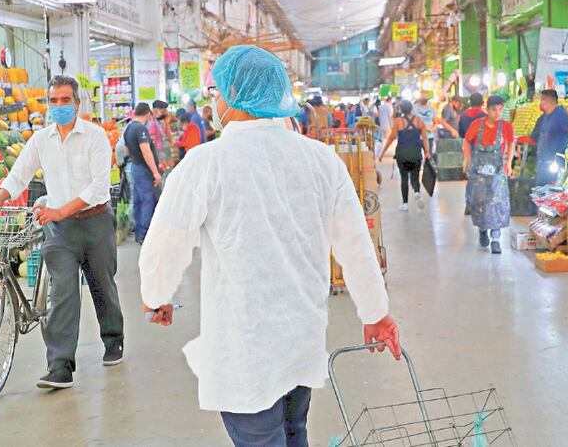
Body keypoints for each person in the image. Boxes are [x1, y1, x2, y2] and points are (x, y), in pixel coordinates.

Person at [139, 45, 399, 447]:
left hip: (248, 345)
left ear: (234, 96)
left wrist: (157, 296)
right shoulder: (322, 161)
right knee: (295, 432)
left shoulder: (205, 164)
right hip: (301, 334)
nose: (214, 103)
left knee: (261, 439)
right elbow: (355, 244)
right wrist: (376, 312)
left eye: (216, 93)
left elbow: (165, 243)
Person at [0, 75, 124, 388]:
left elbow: (100, 185)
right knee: (62, 292)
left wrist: (61, 209)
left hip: (95, 222)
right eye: (54, 101)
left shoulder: (95, 136)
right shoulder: (40, 139)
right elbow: (19, 174)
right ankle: (60, 365)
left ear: (77, 103)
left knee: (102, 283)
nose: (59, 106)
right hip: (60, 231)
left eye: (65, 100)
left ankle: (113, 338)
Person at [463, 95, 515, 254]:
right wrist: (469, 160)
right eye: (494, 110)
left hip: (497, 170)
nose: (497, 113)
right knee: (479, 203)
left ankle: (496, 239)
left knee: (497, 202)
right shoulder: (476, 125)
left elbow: (512, 142)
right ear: (487, 110)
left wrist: (509, 163)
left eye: (500, 109)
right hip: (478, 172)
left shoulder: (506, 126)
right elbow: (466, 142)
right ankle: (482, 230)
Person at [377, 100, 431, 212]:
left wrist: (382, 153)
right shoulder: (419, 120)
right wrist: (427, 152)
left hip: (402, 154)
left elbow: (391, 139)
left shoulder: (398, 122)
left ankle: (405, 204)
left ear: (401, 109)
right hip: (416, 153)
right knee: (415, 177)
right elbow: (425, 138)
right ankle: (417, 192)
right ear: (411, 108)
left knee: (404, 178)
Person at [124, 102, 163, 244]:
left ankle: (139, 232)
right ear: (148, 114)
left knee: (138, 200)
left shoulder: (128, 128)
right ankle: (146, 234)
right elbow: (146, 151)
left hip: (135, 166)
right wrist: (155, 172)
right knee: (147, 200)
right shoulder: (140, 128)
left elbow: (126, 150)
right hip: (144, 168)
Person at [530, 89, 568, 187]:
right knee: (540, 191)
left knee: (551, 192)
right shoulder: (545, 116)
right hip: (543, 162)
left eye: (543, 99)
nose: (540, 102)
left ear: (550, 101)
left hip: (555, 163)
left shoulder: (560, 114)